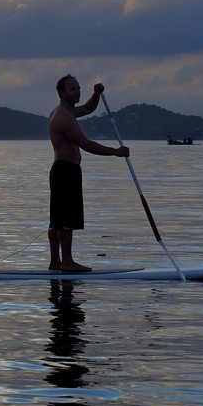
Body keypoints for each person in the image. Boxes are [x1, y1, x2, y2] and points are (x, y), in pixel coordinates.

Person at [47, 75, 129, 272]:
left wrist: (96, 94)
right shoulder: (63, 117)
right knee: (64, 220)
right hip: (65, 171)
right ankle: (66, 262)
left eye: (78, 88)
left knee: (58, 219)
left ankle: (55, 262)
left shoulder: (68, 112)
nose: (77, 92)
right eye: (72, 89)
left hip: (64, 171)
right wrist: (116, 152)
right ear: (61, 93)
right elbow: (86, 144)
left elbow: (88, 108)